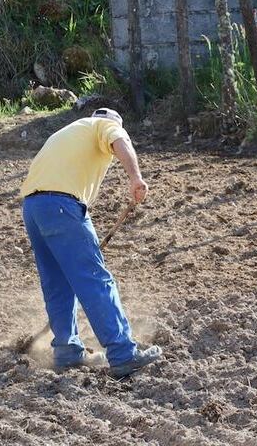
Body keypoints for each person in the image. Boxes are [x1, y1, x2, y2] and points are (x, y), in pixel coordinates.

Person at [20, 108, 162, 377]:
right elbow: (121, 141)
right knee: (94, 278)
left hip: (33, 207)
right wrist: (135, 178)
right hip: (62, 205)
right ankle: (123, 353)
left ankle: (67, 350)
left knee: (57, 282)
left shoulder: (69, 132)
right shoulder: (104, 127)